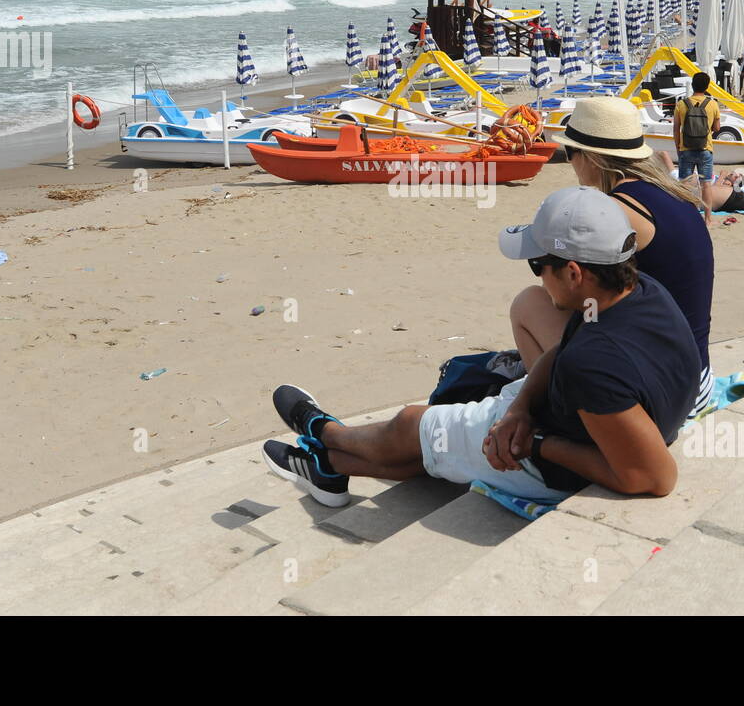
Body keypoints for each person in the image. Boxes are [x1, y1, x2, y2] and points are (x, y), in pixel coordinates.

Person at [260, 186, 702, 506]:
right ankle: (329, 467)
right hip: (560, 424)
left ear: (572, 272)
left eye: (537, 264)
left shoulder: (596, 364)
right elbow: (561, 356)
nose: (535, 276)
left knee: (411, 424)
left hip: (549, 463)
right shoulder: (639, 291)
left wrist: (537, 442)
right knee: (431, 447)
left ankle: (322, 432)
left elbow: (654, 476)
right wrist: (521, 410)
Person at [510, 98, 715, 418]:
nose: (570, 163)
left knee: (528, 304)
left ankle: (559, 406)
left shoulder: (617, 212)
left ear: (590, 158)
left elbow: (572, 289)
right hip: (698, 377)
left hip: (666, 392)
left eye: (570, 154)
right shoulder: (669, 192)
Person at [672, 72, 720, 226]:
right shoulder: (712, 104)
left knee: (684, 184)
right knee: (706, 184)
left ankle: (686, 217)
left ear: (692, 85)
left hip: (686, 149)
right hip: (705, 149)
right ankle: (707, 219)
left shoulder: (681, 104)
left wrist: (679, 148)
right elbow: (717, 127)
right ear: (707, 87)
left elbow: (676, 128)